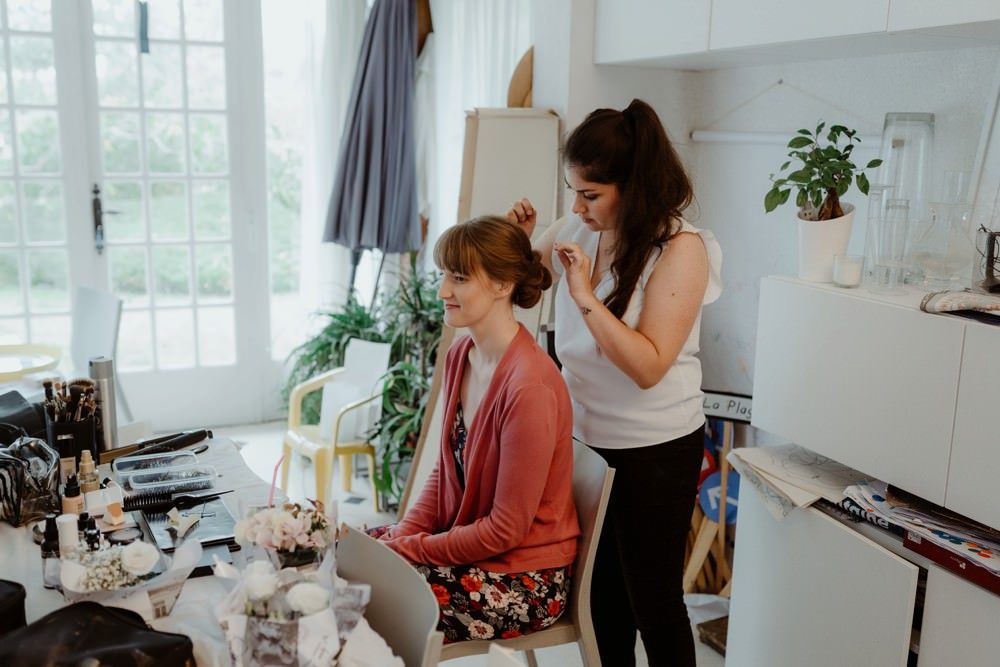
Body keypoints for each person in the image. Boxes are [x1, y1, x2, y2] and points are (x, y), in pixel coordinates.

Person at [506, 98, 723, 667]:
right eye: (573, 190)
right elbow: (526, 289)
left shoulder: (681, 250)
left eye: (591, 193)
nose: (576, 205)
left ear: (636, 186)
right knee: (600, 602)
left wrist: (582, 297)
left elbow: (649, 367)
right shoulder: (580, 225)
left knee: (652, 599)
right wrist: (516, 245)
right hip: (587, 443)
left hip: (656, 446)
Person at [376, 215, 581, 643]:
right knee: (346, 556)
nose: (442, 291)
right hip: (477, 551)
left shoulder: (530, 387)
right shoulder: (462, 354)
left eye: (460, 278)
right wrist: (404, 532)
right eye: (443, 275)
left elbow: (506, 529)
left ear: (503, 285)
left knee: (371, 596)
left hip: (525, 578)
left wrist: (410, 549)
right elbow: (444, 470)